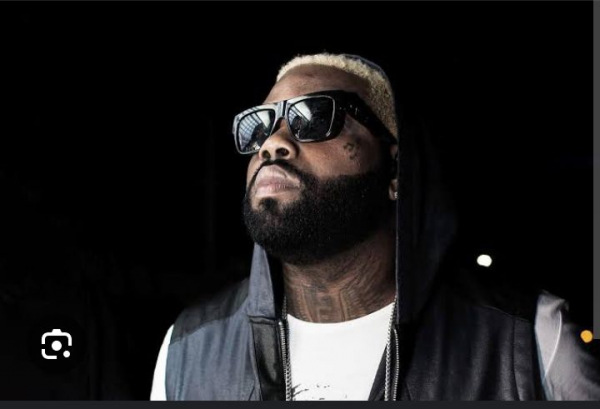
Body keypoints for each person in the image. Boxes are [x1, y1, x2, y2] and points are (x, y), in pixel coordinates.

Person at [150, 53, 600, 400]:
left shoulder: (530, 341)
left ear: (396, 170)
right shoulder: (187, 350)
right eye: (259, 127)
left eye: (313, 117)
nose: (273, 143)